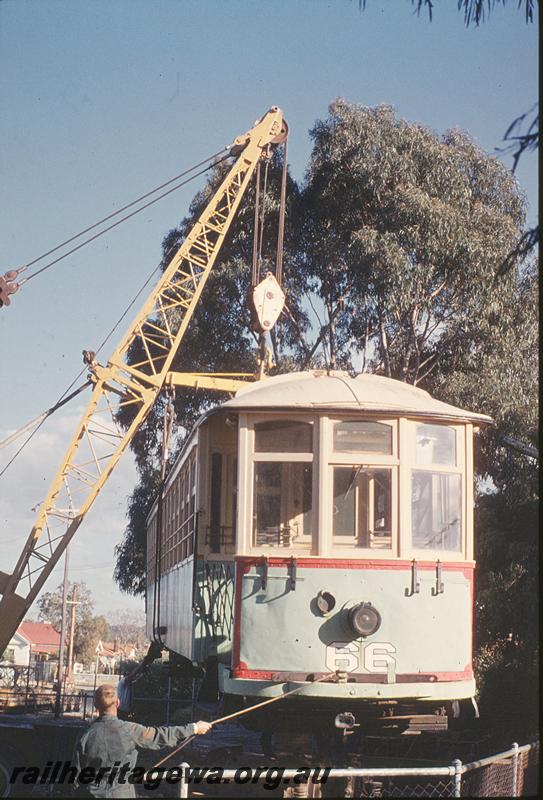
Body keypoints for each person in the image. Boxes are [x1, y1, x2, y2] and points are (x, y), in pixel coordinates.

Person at [74, 684, 211, 798]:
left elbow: (76, 776)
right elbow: (161, 735)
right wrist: (193, 728)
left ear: (96, 705)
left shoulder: (85, 735)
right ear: (118, 703)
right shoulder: (130, 730)